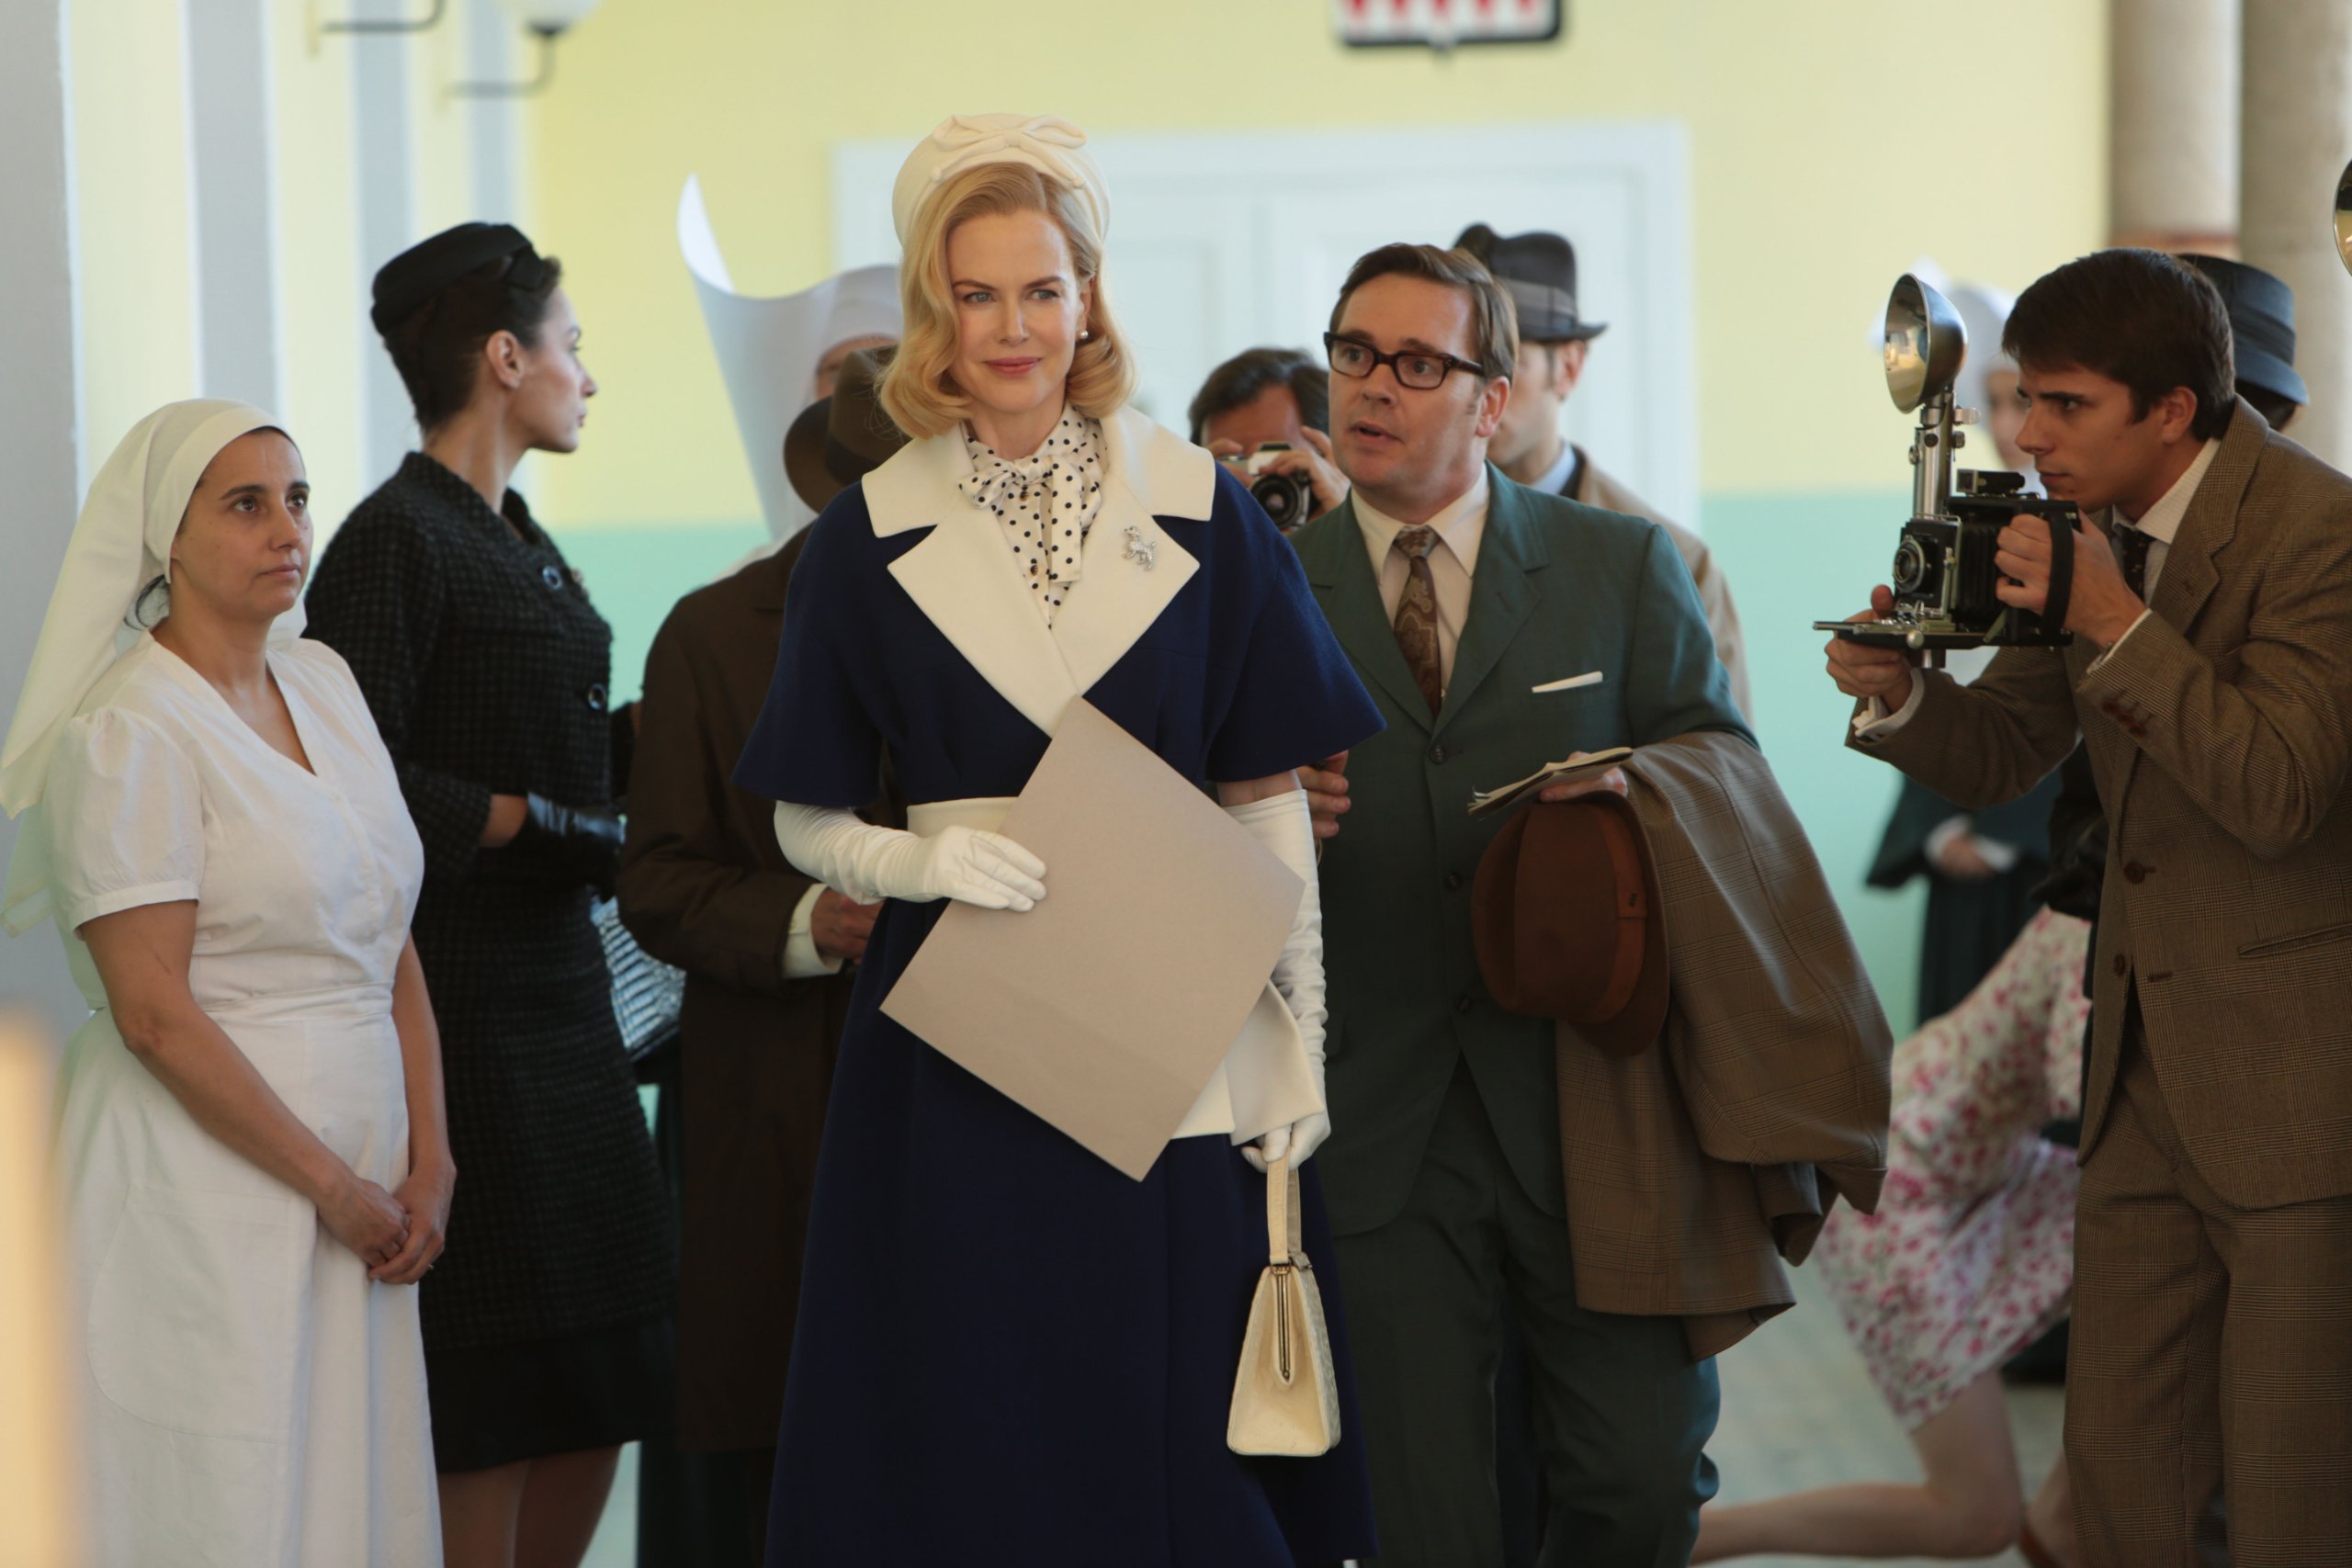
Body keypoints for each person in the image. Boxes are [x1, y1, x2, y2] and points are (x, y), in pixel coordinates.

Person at [730, 112, 1384, 1565]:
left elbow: (1264, 790)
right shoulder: (864, 535)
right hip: (960, 1025)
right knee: (973, 1405)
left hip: (1177, 1015)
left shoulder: (1203, 506)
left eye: (1042, 288)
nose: (1014, 326)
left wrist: (1302, 1033)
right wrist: (915, 864)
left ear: (1090, 296)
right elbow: (800, 811)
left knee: (1176, 1417)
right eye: (977, 294)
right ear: (934, 311)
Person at [1827, 246, 2352, 1563]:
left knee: (2290, 1493)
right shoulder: (2089, 531)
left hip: (2299, 1095)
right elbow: (2007, 748)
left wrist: (2117, 624)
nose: (2027, 435)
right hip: (2134, 1075)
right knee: (2121, 1482)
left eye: (2063, 405)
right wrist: (1898, 695)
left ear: (2172, 409)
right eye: (2021, 398)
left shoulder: (2320, 532)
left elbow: (2279, 790)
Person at [1288, 242, 1753, 1567]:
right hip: (1375, 1113)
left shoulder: (1623, 565)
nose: (1372, 386)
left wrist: (1627, 797)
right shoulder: (1266, 587)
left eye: (1415, 362)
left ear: (1493, 400)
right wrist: (1249, 808)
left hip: (1593, 1100)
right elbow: (1186, 835)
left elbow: (1724, 773)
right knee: (1422, 1516)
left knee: (1641, 1480)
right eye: (1353, 353)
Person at [0, 401, 447, 1565]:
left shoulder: (326, 681)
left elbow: (387, 933)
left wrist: (432, 1159)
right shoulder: (129, 728)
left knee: (346, 1492)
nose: (287, 530)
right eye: (246, 505)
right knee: (223, 1499)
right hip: (206, 1179)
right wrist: (333, 1186)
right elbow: (152, 1014)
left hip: (368, 1176)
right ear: (169, 537)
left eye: (295, 499)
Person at [303, 222, 675, 1568]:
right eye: (572, 345)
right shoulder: (394, 538)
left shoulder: (515, 533)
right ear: (506, 357)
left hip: (568, 1012)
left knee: (607, 1369)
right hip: (462, 1010)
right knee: (500, 1382)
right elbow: (347, 770)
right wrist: (531, 823)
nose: (589, 375)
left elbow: (545, 729)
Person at [617, 347, 907, 1568]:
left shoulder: (1035, 632)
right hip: (787, 1113)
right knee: (795, 1478)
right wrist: (813, 920)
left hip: (989, 1104)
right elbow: (658, 878)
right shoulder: (712, 633)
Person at [1690, 906, 2093, 1566]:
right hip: (1897, 1187)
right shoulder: (2094, 919)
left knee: (2165, 1247)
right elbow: (2095, 1088)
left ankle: (2068, 1512)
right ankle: (1695, 1541)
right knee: (1977, 1516)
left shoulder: (2106, 908)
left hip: (1980, 1165)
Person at [1868, 283, 2064, 1027]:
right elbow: (1940, 682)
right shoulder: (1958, 524)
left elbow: (2068, 698)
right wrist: (1940, 826)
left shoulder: (2090, 531)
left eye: (2027, 401)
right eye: (1998, 402)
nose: (2012, 426)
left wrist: (2006, 838)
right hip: (1958, 843)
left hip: (2046, 861)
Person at [1457, 222, 1750, 716]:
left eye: (1506, 360)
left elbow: (1722, 751)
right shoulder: (1399, 537)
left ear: (1568, 368)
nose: (1481, 390)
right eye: (1459, 362)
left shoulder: (1671, 562)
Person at [1189, 345, 1351, 524]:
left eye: (1274, 461)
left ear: (1333, 466)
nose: (1258, 489)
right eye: (1235, 468)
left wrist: (1346, 523)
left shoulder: (1351, 528)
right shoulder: (1191, 534)